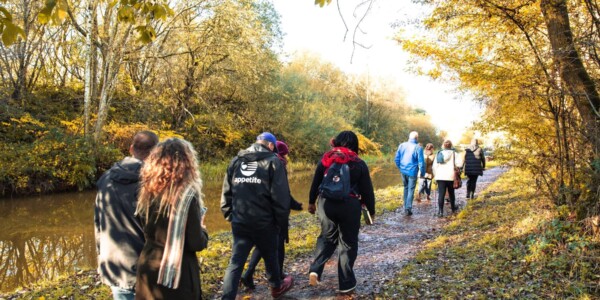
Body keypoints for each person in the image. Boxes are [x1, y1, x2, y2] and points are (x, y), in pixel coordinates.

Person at [220, 132, 294, 299]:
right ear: (270, 145)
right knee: (271, 254)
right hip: (265, 222)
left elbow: (227, 192)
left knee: (236, 262)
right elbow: (280, 197)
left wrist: (229, 215)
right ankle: (276, 288)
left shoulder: (236, 160)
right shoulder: (274, 162)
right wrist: (281, 223)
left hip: (240, 220)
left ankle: (227, 297)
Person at [135, 138, 209, 299]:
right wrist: (203, 230)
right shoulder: (187, 195)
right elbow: (196, 242)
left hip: (148, 265)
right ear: (187, 162)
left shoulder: (147, 191)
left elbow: (145, 228)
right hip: (177, 273)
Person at [307, 130, 375, 294]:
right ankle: (346, 285)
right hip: (350, 204)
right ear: (354, 145)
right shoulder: (358, 162)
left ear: (336, 142)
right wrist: (371, 211)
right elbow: (367, 190)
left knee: (327, 237)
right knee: (348, 244)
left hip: (326, 203)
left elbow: (316, 181)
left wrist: (311, 202)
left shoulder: (326, 159)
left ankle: (315, 269)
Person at [94, 130, 159, 300]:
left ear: (131, 149)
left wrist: (101, 256)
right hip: (145, 269)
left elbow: (98, 223)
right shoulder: (153, 183)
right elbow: (159, 230)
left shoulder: (106, 179)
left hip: (114, 264)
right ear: (156, 153)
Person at [240, 141, 303, 290]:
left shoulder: (261, 162)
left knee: (262, 245)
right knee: (278, 244)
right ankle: (277, 277)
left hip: (259, 211)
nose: (287, 157)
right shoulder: (277, 163)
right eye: (286, 153)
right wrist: (294, 205)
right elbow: (283, 192)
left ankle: (248, 274)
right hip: (275, 213)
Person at [394, 131, 426, 216]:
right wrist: (422, 173)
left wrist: (400, 168)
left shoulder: (402, 145)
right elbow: (421, 163)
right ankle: (408, 208)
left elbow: (396, 159)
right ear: (417, 138)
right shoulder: (418, 147)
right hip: (412, 171)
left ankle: (405, 207)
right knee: (411, 189)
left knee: (406, 188)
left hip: (403, 171)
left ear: (409, 137)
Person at [432, 139, 461, 217]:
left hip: (440, 176)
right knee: (451, 193)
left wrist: (435, 176)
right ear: (451, 145)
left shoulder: (439, 153)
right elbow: (460, 164)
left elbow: (434, 166)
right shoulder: (455, 154)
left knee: (441, 194)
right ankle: (453, 208)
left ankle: (440, 211)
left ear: (443, 145)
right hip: (451, 176)